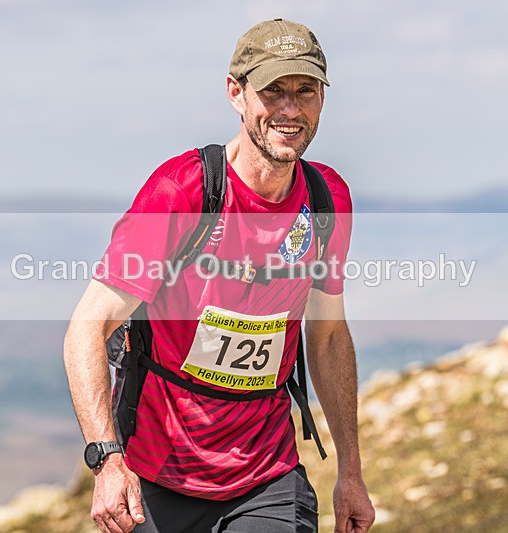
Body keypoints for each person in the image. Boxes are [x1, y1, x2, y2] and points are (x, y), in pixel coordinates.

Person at [64, 18, 375, 533]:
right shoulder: (183, 193)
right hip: (154, 475)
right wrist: (106, 459)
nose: (290, 110)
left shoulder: (326, 200)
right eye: (273, 91)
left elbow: (326, 335)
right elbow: (86, 329)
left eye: (306, 91)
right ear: (237, 93)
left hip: (266, 475)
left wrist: (352, 472)